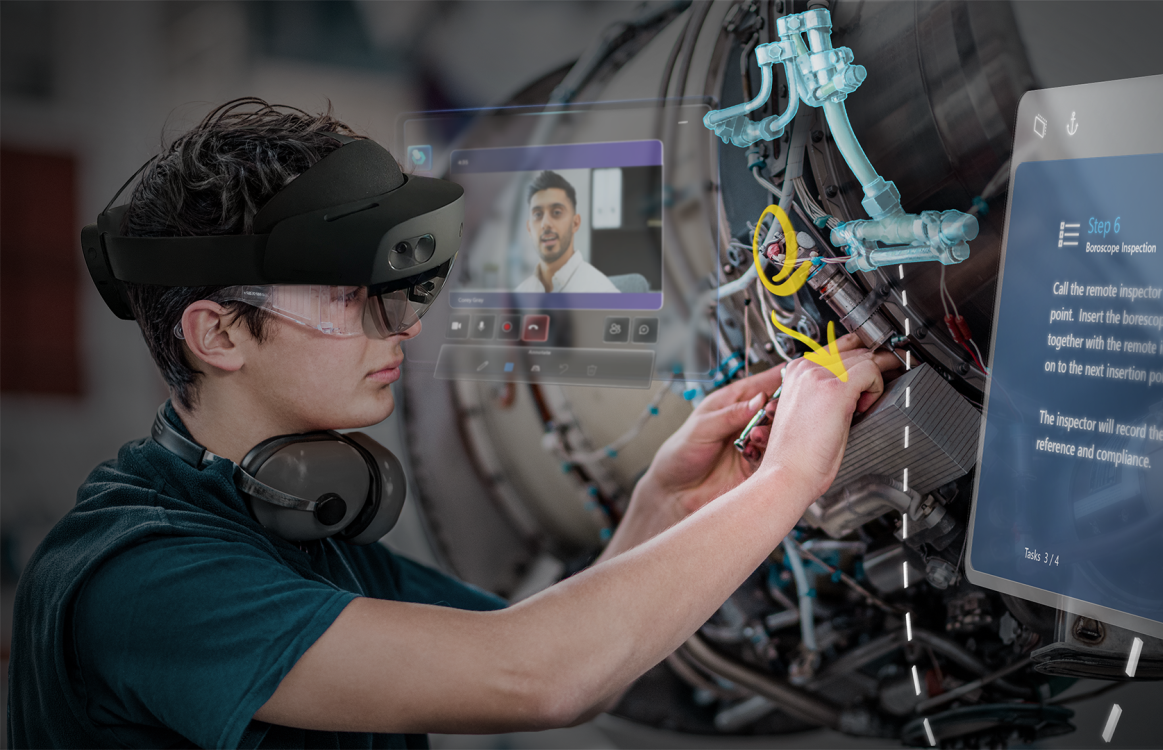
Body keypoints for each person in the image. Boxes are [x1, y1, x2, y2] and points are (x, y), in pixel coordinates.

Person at [7, 99, 902, 750]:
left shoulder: (299, 526)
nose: (404, 327)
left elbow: (560, 657)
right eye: (348, 298)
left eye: (396, 293)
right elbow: (535, 678)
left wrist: (664, 501)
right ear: (220, 333)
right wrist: (790, 478)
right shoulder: (144, 582)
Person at [514, 170, 619, 293]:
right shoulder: (520, 295)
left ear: (575, 223)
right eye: (538, 214)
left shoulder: (603, 292)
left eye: (557, 212)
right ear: (529, 229)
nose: (545, 223)